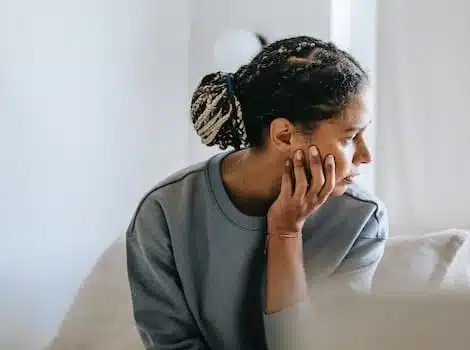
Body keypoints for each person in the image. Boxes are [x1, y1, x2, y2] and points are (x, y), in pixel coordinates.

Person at [125, 35, 388, 349]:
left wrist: (286, 234)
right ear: (285, 136)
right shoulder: (165, 213)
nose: (366, 155)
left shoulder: (362, 220)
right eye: (351, 137)